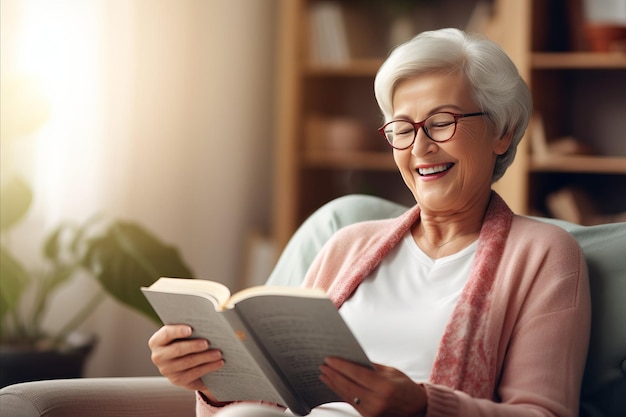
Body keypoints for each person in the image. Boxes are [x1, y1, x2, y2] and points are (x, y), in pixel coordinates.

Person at [148, 28, 591, 417]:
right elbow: (278, 397)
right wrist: (212, 382)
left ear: (502, 132)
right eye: (402, 128)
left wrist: (421, 406)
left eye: (441, 123)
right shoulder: (348, 243)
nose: (420, 148)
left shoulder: (544, 254)